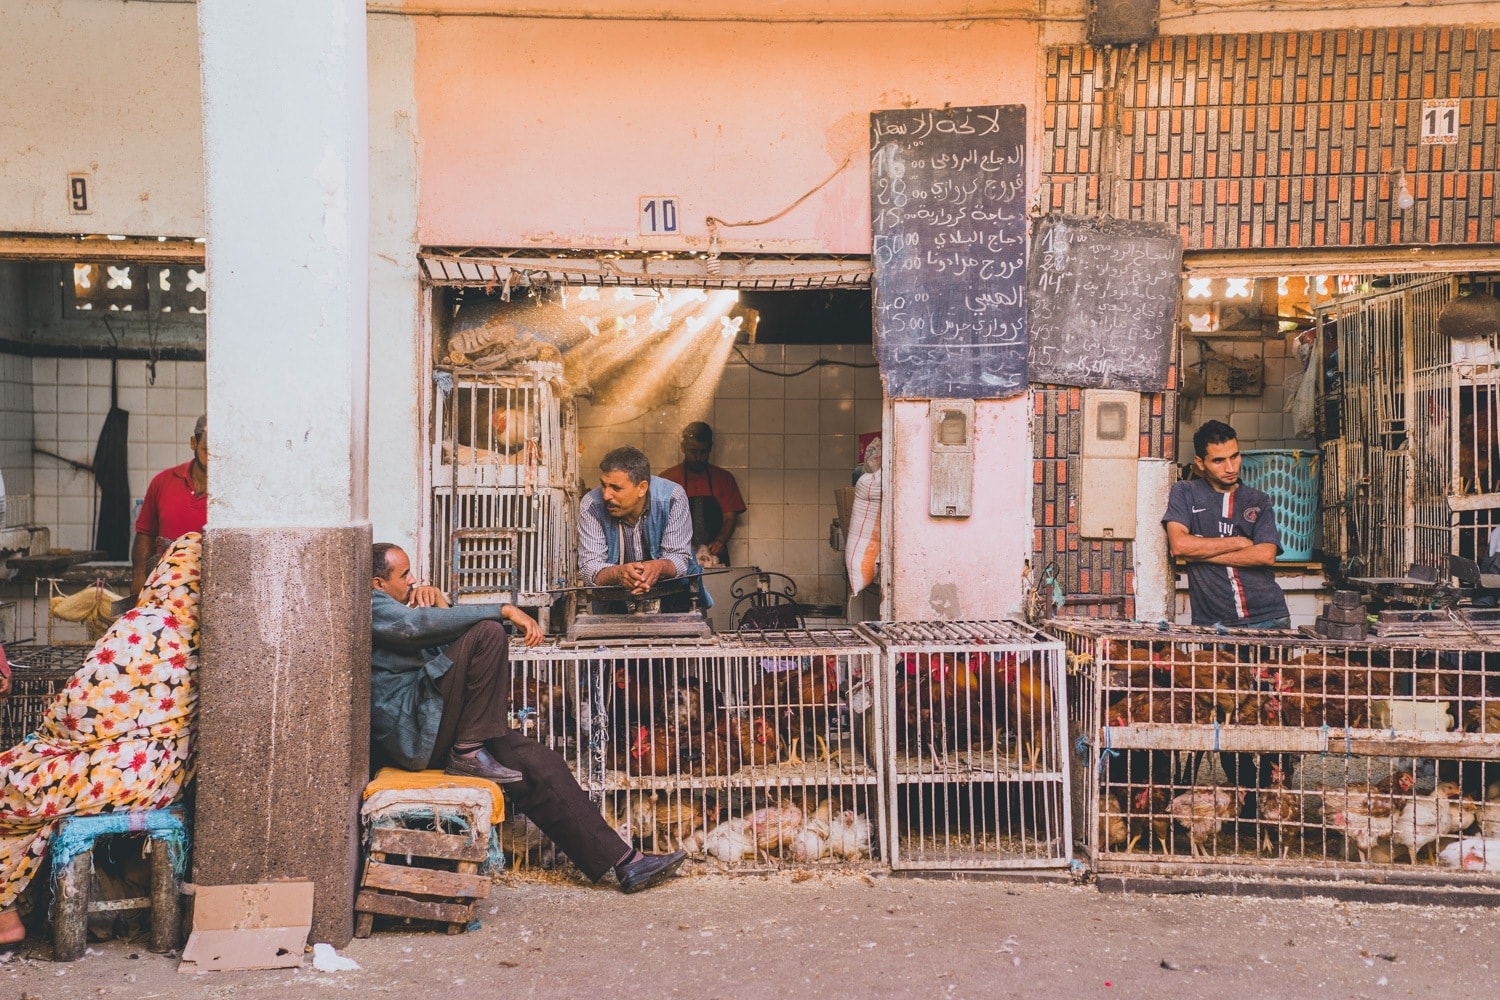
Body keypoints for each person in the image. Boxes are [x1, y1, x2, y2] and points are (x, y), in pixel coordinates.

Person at [370, 542, 685, 893]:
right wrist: (504, 610)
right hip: (413, 733)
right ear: (377, 584)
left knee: (539, 764)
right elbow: (416, 628)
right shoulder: (372, 606)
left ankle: (627, 863)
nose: (413, 579)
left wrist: (443, 604)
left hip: (437, 724)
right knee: (489, 632)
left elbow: (441, 654)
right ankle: (470, 750)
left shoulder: (402, 607)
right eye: (404, 574)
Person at [0, 532, 203, 944]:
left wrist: (51, 733)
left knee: (11, 786)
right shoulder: (204, 633)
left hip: (124, 770)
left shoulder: (146, 625)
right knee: (33, 802)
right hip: (163, 775)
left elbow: (81, 712)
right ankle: (6, 918)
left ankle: (7, 916)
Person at [1163, 420, 1290, 630]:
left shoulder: (1258, 500)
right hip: (1215, 622)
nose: (1230, 468)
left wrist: (1199, 554)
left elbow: (1266, 555)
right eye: (1218, 461)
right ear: (1200, 463)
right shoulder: (1185, 492)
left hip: (1269, 617)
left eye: (1235, 456)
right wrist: (1239, 542)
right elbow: (1179, 546)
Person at [578, 446, 704, 607]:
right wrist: (619, 573)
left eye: (616, 488)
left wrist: (658, 567)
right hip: (614, 607)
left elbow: (679, 558)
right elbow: (590, 568)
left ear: (642, 488)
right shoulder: (591, 505)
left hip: (674, 602)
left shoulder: (672, 497)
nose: (606, 495)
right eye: (603, 485)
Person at [131, 415, 208, 595]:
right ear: (193, 443)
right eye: (207, 451)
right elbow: (146, 535)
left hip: (206, 591)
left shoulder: (232, 493)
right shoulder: (162, 482)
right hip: (162, 590)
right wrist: (138, 579)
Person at [658, 422, 746, 566]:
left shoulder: (723, 478)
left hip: (714, 556)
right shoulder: (668, 479)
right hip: (679, 555)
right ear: (683, 447)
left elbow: (730, 518)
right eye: (693, 451)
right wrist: (679, 544)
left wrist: (720, 541)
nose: (698, 457)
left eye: (703, 452)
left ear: (710, 448)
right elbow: (660, 520)